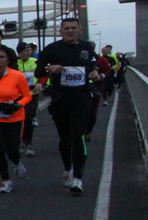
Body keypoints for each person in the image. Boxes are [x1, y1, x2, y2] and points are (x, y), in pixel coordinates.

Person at [34, 17, 101, 195]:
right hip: (61, 99)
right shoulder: (52, 49)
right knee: (65, 138)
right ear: (61, 31)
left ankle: (78, 178)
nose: (70, 31)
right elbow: (39, 71)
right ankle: (67, 169)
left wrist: (95, 72)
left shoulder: (87, 47)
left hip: (81, 97)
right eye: (66, 28)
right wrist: (50, 68)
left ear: (80, 30)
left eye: (73, 28)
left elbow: (93, 64)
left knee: (78, 136)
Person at [0, 47, 32, 193]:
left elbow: (27, 96)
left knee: (12, 149)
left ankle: (16, 162)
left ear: (8, 60)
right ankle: (6, 181)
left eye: (2, 57)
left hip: (13, 116)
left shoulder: (17, 76)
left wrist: (17, 105)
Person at [15, 42, 40, 157]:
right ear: (19, 53)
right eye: (25, 51)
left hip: (31, 94)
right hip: (17, 96)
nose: (28, 53)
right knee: (17, 120)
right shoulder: (14, 64)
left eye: (29, 50)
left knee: (29, 118)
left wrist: (41, 84)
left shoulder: (35, 62)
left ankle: (27, 142)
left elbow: (42, 75)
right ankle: (18, 142)